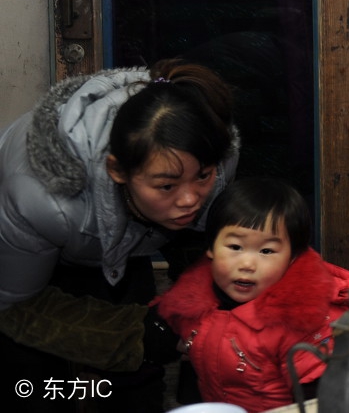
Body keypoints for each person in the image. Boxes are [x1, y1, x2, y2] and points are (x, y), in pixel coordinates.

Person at [0, 60, 239, 412]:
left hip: (128, 230)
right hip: (26, 256)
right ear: (118, 170)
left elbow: (201, 244)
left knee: (137, 380)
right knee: (33, 380)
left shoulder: (213, 157)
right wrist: (134, 336)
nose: (190, 199)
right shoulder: (41, 200)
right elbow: (13, 307)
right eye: (168, 185)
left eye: (201, 177)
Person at [154, 177, 349, 413]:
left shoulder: (303, 321)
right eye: (235, 247)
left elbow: (324, 398)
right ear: (210, 248)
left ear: (292, 258)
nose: (247, 264)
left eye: (266, 251)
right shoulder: (192, 301)